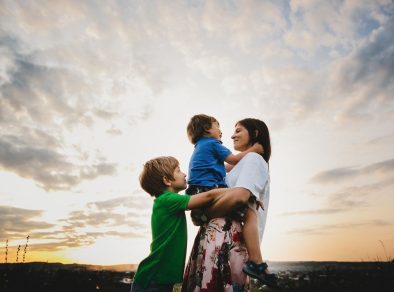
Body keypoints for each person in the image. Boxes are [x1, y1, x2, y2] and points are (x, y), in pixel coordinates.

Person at [182, 118, 277, 292]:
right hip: (215, 235)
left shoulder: (254, 159)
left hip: (224, 237)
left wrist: (203, 215)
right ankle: (257, 263)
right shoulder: (237, 163)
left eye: (238, 131)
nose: (232, 135)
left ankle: (257, 262)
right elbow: (232, 185)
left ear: (255, 133)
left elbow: (239, 197)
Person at [131, 156, 226, 292]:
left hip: (159, 280)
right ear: (167, 180)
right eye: (178, 170)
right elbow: (208, 197)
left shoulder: (167, 201)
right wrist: (239, 191)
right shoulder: (167, 200)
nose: (184, 174)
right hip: (153, 280)